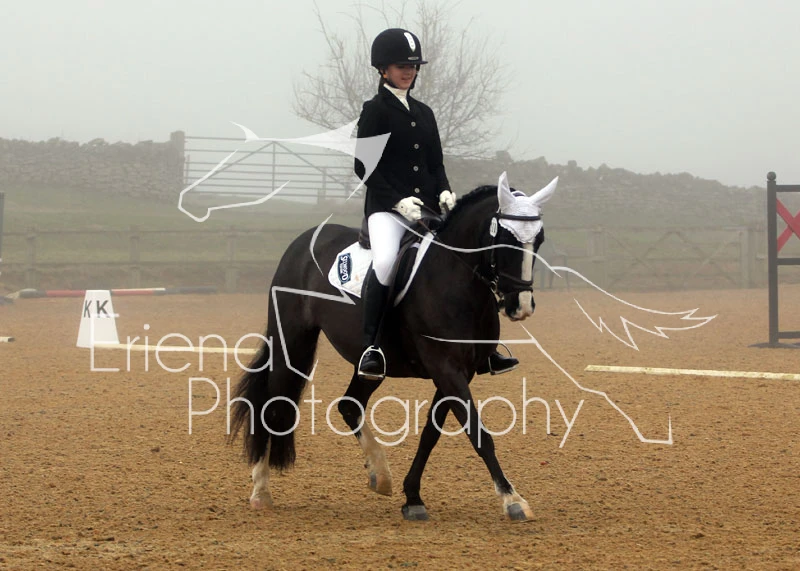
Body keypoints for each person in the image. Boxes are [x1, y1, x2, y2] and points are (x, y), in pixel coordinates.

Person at [354, 27, 518, 381]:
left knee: (467, 258)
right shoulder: (375, 111)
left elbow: (435, 164)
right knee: (385, 262)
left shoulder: (424, 112)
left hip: (428, 209)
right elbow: (364, 168)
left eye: (413, 66)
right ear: (383, 69)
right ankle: (372, 347)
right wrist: (397, 201)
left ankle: (485, 348)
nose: (409, 71)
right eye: (401, 65)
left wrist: (444, 190)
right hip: (386, 210)